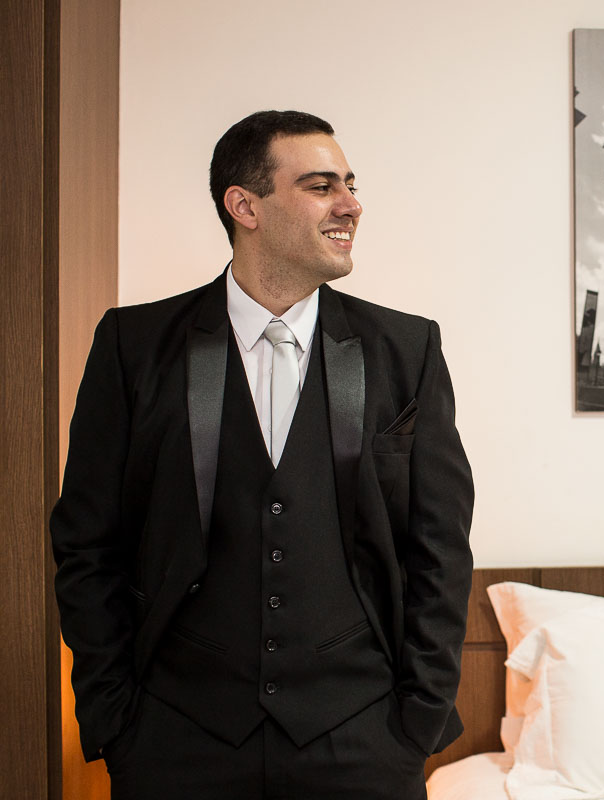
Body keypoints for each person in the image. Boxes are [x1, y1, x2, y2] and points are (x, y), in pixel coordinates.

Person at [51, 110, 474, 799]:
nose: (351, 205)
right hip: (174, 743)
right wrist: (118, 722)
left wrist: (415, 725)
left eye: (350, 185)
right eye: (320, 186)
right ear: (244, 205)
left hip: (364, 741)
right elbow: (87, 545)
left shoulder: (406, 350)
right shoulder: (134, 345)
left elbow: (441, 549)